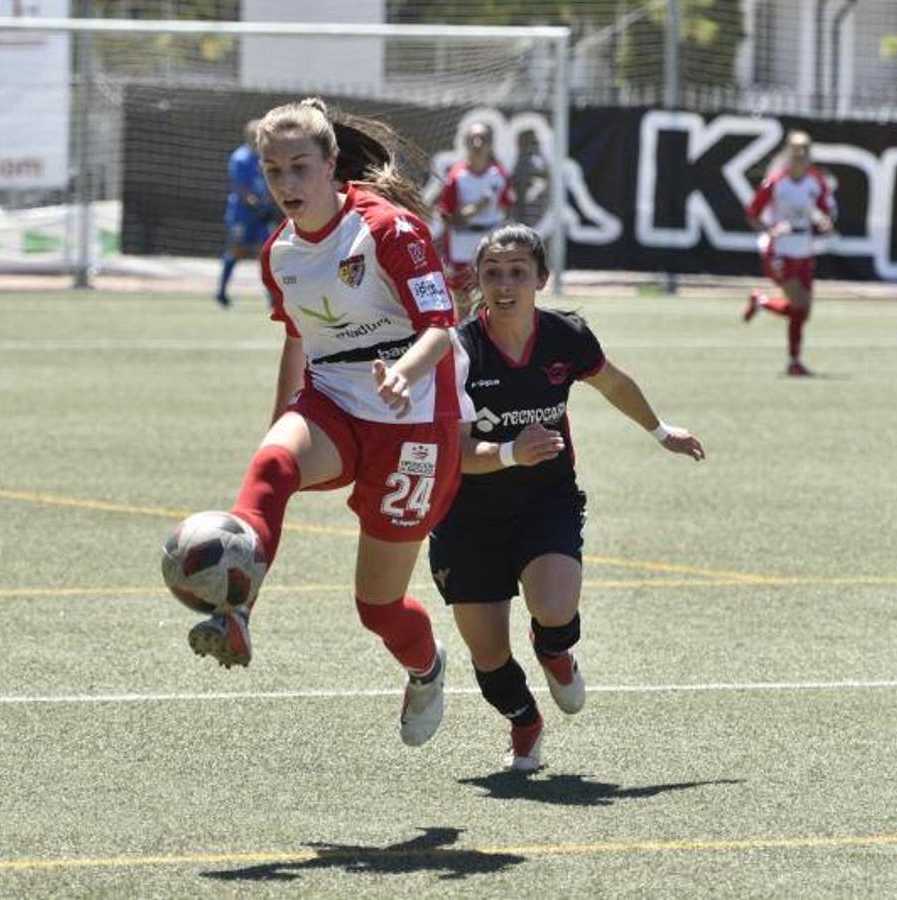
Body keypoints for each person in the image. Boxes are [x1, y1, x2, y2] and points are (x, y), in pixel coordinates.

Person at [187, 98, 475, 749]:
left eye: (299, 167)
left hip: (413, 421)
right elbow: (297, 340)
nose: (285, 183)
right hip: (335, 400)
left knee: (378, 608)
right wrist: (279, 427)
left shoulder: (389, 230)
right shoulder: (280, 253)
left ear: (330, 164)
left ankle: (426, 668)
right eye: (273, 170)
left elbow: (440, 326)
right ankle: (235, 610)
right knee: (271, 466)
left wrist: (402, 373)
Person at [428, 223, 705, 771]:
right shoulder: (459, 351)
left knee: (555, 609)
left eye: (518, 272)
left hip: (544, 500)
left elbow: (614, 383)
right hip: (467, 515)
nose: (505, 285)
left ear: (541, 279)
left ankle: (553, 649)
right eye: (492, 273)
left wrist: (660, 431)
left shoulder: (566, 337)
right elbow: (453, 454)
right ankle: (525, 721)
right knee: (489, 656)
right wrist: (512, 451)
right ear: (477, 279)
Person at [742, 130, 836, 376]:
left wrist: (825, 222)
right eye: (795, 151)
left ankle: (762, 302)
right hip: (779, 252)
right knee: (799, 303)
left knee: (802, 311)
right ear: (788, 154)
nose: (800, 156)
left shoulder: (816, 182)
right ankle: (794, 362)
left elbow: (827, 213)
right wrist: (770, 230)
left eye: (804, 151)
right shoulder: (775, 182)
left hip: (804, 250)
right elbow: (752, 214)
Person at [437, 122, 516, 320]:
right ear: (465, 143)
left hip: (488, 239)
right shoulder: (457, 175)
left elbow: (508, 207)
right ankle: (464, 331)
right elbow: (446, 216)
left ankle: (485, 329)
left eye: (483, 139)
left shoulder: (499, 175)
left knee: (490, 289)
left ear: (491, 144)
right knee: (462, 292)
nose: (477, 144)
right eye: (472, 139)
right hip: (462, 240)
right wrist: (473, 210)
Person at [216, 120, 280, 308]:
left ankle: (271, 296)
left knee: (266, 253)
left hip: (262, 214)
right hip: (242, 215)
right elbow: (241, 188)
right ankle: (221, 292)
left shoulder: (268, 157)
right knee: (237, 251)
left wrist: (270, 205)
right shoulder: (240, 158)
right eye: (256, 136)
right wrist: (256, 205)